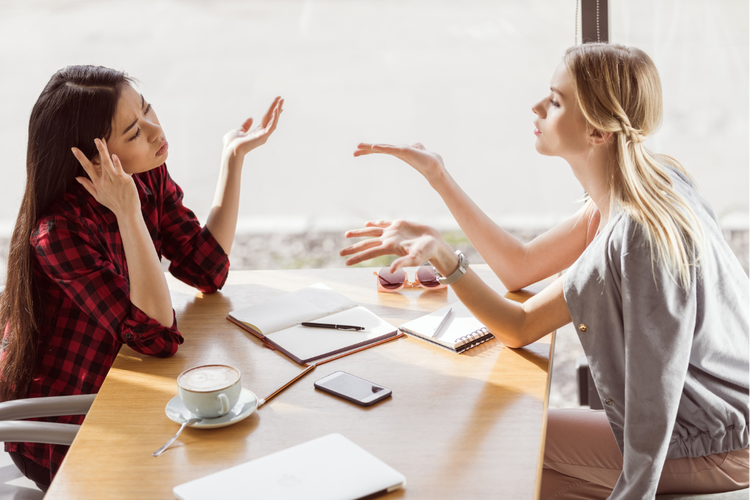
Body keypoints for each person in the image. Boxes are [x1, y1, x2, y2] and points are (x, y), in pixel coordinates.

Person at [339, 43, 750, 499]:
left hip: (712, 442)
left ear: (597, 132)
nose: (536, 106)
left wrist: (443, 256)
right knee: (526, 474)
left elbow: (520, 326)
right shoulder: (649, 181)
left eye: (555, 101)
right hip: (721, 421)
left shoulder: (633, 233)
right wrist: (438, 175)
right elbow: (520, 266)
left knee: (512, 443)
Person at [0, 65, 282, 491]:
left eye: (148, 109)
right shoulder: (58, 233)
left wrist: (232, 158)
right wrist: (128, 213)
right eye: (133, 133)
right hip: (68, 429)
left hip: (121, 390)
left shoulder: (145, 173)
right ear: (94, 160)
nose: (154, 131)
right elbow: (157, 336)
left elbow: (207, 268)